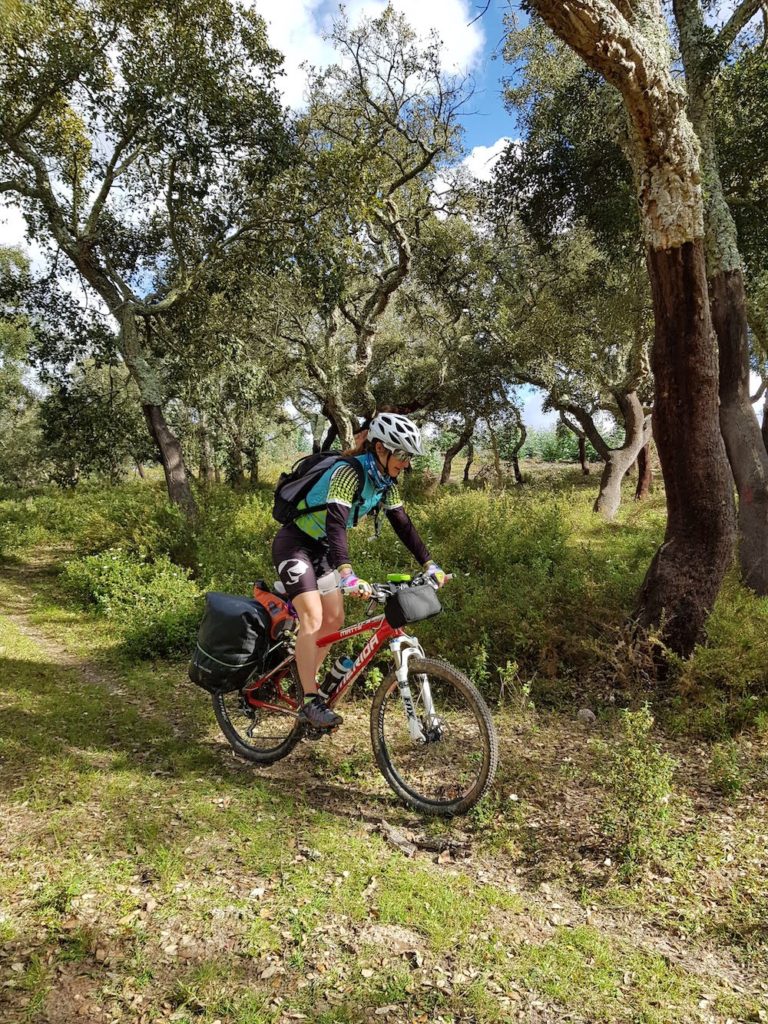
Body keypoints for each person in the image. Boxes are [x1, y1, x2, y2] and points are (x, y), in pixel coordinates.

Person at [272, 412, 446, 729]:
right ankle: (310, 701)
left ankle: (306, 684)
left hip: (322, 551)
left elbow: (403, 525)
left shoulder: (385, 483)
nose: (406, 464)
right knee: (312, 617)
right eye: (402, 454)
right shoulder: (347, 472)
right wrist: (347, 573)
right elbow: (336, 523)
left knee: (335, 620)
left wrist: (429, 563)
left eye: (409, 457)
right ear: (380, 448)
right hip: (295, 545)